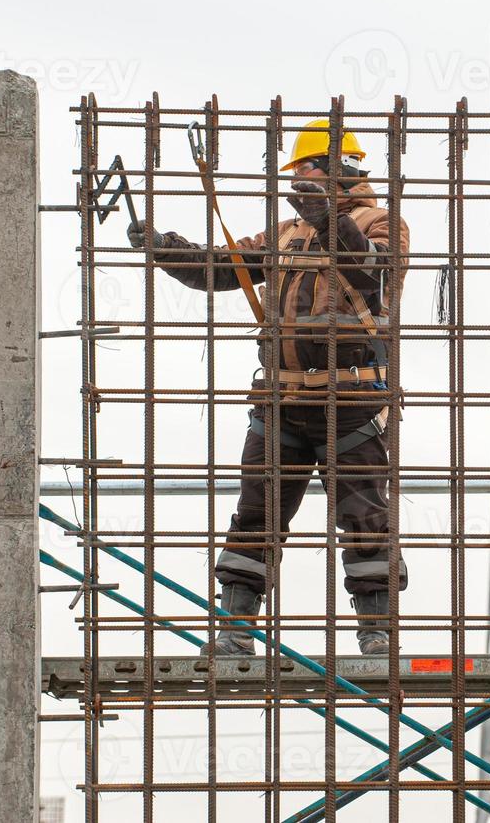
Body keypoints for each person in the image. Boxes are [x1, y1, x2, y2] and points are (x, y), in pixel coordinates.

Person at [128, 119, 409, 655]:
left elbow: (374, 274)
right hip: (280, 400)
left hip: (348, 401)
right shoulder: (285, 233)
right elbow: (223, 269)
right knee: (256, 517)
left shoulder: (382, 222)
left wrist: (330, 221)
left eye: (303, 169)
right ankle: (236, 631)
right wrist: (167, 248)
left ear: (333, 170)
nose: (296, 180)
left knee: (365, 517)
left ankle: (378, 633)